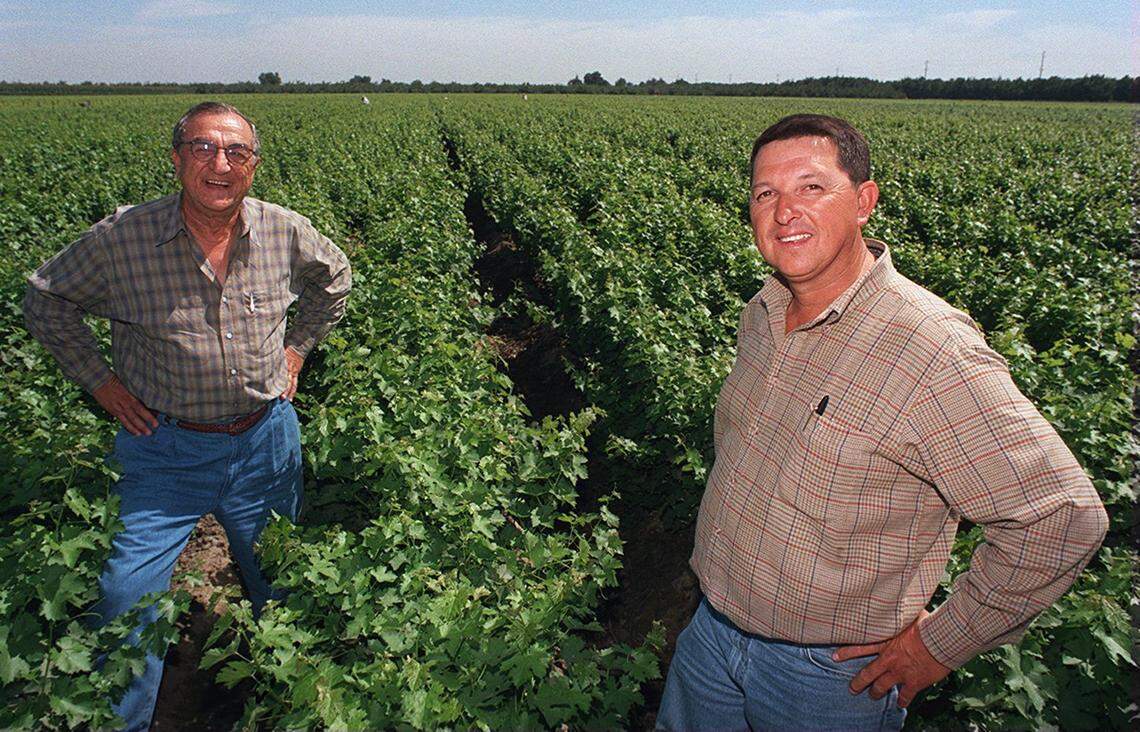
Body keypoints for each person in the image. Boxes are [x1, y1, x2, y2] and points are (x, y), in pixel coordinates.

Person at [656, 114, 1107, 731]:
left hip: (825, 679)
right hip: (711, 637)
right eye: (766, 194)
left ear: (864, 201)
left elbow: (1062, 516)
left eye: (811, 187)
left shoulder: (928, 350)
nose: (784, 211)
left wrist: (937, 645)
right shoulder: (761, 314)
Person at [23, 101, 352, 731]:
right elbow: (44, 299)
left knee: (278, 582)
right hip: (165, 450)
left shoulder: (284, 231)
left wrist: (296, 350)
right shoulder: (123, 239)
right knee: (126, 596)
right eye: (203, 148)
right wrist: (101, 384)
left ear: (254, 165)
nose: (220, 164)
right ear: (177, 159)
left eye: (237, 152)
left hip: (264, 443)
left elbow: (336, 278)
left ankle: (278, 697)